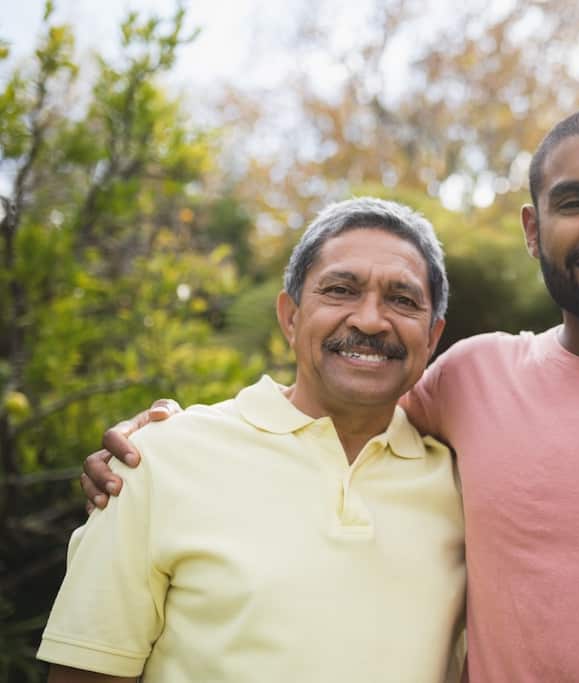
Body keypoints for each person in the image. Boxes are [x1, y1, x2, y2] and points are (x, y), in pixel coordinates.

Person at [80, 107, 579, 681]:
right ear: (532, 230)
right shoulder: (472, 378)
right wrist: (166, 439)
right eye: (572, 202)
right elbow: (331, 404)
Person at [38, 199, 467, 681]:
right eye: (341, 290)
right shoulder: (156, 458)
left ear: (432, 337)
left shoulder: (467, 488)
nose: (369, 320)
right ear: (290, 317)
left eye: (402, 300)